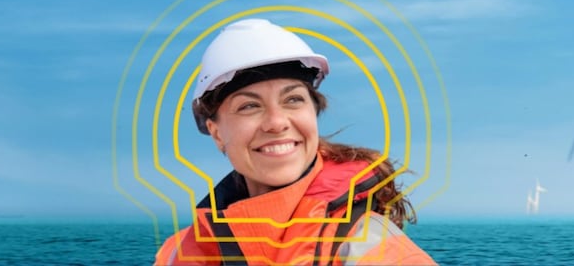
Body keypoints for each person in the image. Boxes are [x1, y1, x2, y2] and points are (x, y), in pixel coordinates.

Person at [154, 19, 436, 266]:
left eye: (292, 100)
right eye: (249, 106)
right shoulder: (179, 252)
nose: (277, 122)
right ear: (217, 134)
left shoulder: (364, 244)